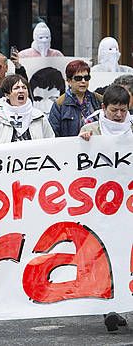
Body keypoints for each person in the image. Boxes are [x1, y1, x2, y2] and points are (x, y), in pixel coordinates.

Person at [77, 84, 131, 333]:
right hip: (102, 208)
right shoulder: (91, 129)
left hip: (128, 206)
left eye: (123, 110)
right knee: (109, 256)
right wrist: (83, 141)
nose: (119, 115)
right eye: (114, 110)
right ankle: (112, 308)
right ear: (103, 108)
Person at [0, 75, 55, 146]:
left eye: (24, 88)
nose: (21, 91)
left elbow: (51, 143)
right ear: (7, 95)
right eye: (16, 88)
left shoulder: (39, 117)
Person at [49, 60, 102, 137]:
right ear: (69, 81)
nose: (83, 81)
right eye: (78, 78)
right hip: (71, 147)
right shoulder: (59, 104)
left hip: (97, 146)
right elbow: (53, 134)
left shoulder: (98, 99)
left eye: (86, 78)